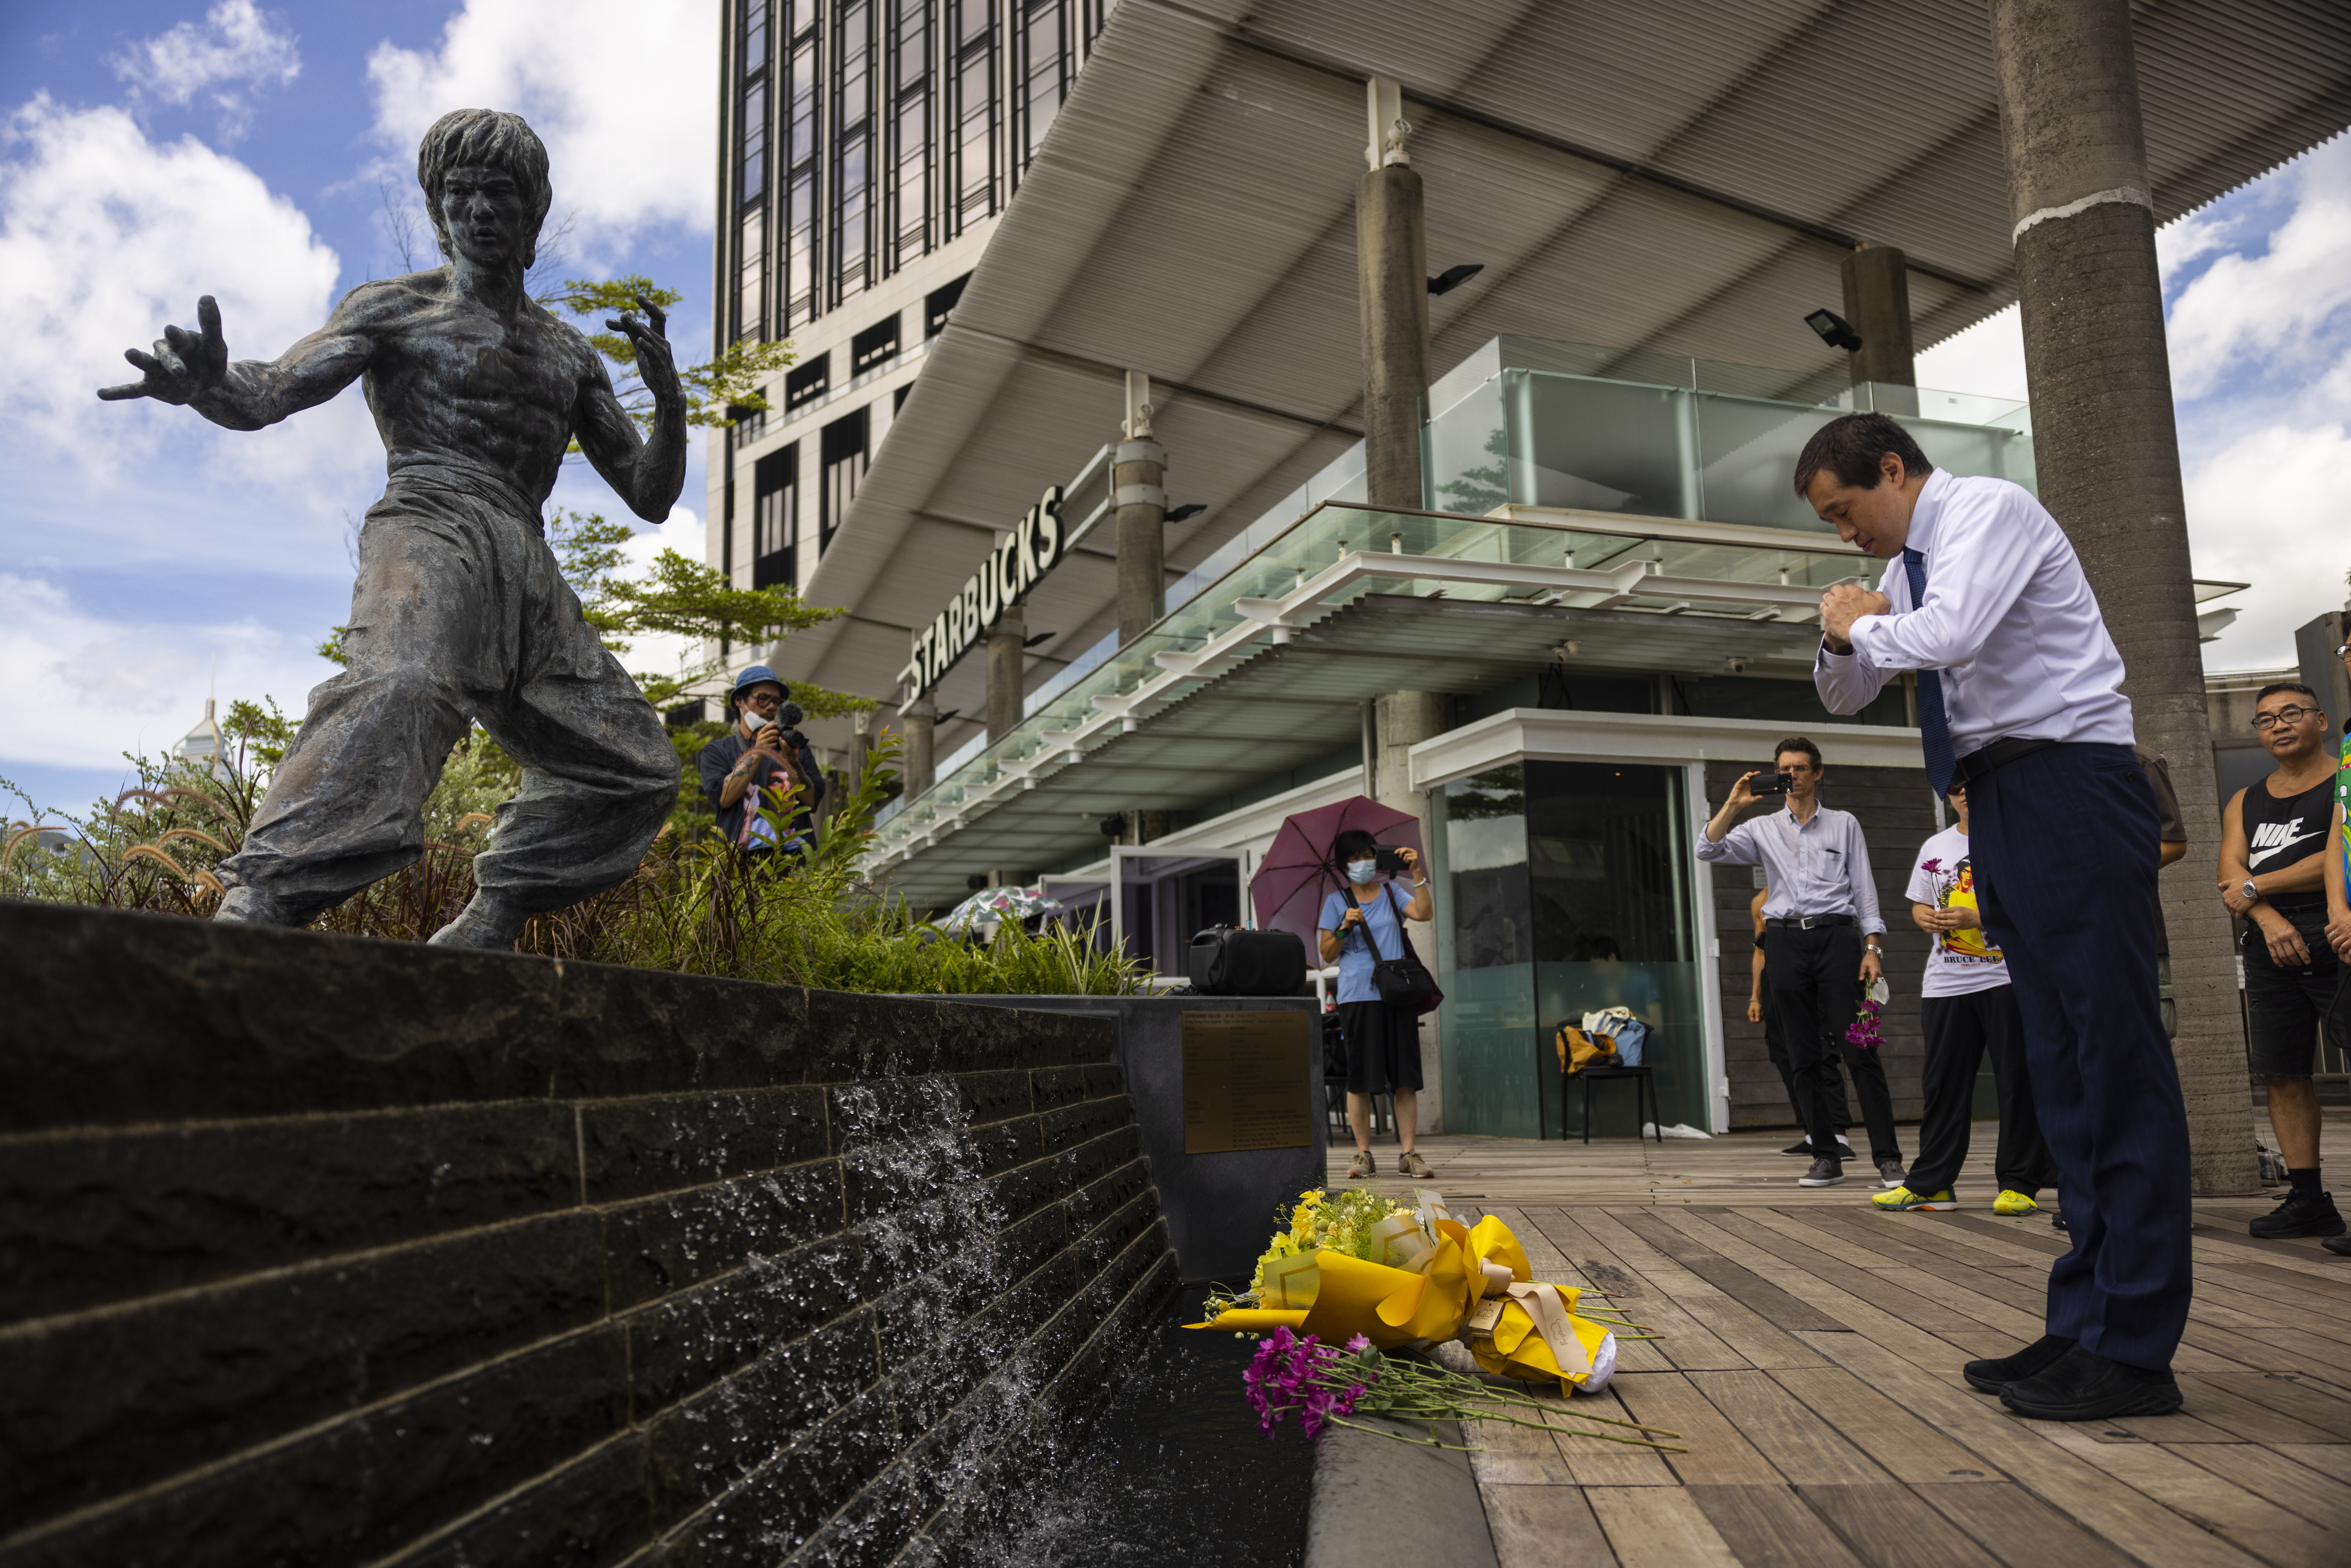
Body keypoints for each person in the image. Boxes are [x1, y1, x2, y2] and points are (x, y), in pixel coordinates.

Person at [105, 109, 685, 948]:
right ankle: (265, 896)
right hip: (427, 523)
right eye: (461, 195)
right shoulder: (392, 309)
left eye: (499, 194)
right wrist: (207, 384)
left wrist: (668, 402)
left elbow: (649, 493)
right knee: (401, 685)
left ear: (531, 214)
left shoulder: (569, 354)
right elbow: (272, 391)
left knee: (636, 769)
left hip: (524, 554)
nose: (480, 211)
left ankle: (496, 912)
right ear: (438, 210)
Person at [1805, 411, 2189, 1422]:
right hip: (2002, 798)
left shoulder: (1986, 511)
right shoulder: (1908, 569)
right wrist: (1837, 629)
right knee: (2061, 1070)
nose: (1846, 533)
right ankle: (2085, 1319)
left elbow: (1951, 636)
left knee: (2113, 1057)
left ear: (1893, 469)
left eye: (1847, 508)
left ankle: (2138, 1344)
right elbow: (1850, 695)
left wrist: (1862, 618)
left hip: (2069, 780)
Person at [1697, 738, 1903, 1190]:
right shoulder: (1762, 827)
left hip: (1837, 941)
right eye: (1785, 769)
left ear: (1818, 773)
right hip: (1785, 945)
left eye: (1800, 768)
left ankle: (1889, 1159)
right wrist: (1733, 803)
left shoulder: (1845, 824)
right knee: (1802, 1055)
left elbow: (1865, 892)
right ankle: (1826, 1156)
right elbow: (1707, 850)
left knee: (1860, 1050)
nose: (1792, 776)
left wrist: (1873, 949)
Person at [1875, 782, 2058, 1215]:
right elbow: (1918, 904)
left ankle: (2018, 1183)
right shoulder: (1936, 845)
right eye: (1955, 789)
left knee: (2018, 1083)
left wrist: (1980, 916)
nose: (1964, 795)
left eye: (1971, 786)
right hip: (1945, 982)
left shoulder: (2017, 837)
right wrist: (1926, 918)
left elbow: (2040, 904)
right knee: (1942, 1086)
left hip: (2007, 977)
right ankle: (1932, 1183)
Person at [2219, 682, 2345, 1240]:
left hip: (2338, 927)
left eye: (2291, 713)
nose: (2278, 725)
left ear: (2320, 720)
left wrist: (2253, 885)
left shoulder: (2343, 782)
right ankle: (2308, 1197)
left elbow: (2336, 855)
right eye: (2265, 719)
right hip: (2270, 937)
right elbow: (2228, 876)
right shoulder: (2244, 801)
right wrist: (2265, 916)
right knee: (2282, 1073)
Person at [1318, 829, 1435, 1180]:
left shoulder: (1390, 890)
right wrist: (1343, 928)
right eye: (1353, 859)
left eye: (1367, 855)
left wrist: (1417, 873)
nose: (1361, 863)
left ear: (1377, 857)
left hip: (1397, 994)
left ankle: (1409, 1153)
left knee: (1404, 1077)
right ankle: (1363, 1155)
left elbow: (1424, 913)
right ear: (1343, 865)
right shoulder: (1336, 900)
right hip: (1357, 996)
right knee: (1360, 1078)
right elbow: (1326, 954)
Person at [1749, 885, 1856, 1158]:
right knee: (1785, 1053)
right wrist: (1755, 997)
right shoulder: (1760, 901)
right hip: (1776, 978)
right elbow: (1760, 952)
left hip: (1810, 974)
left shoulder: (1808, 888)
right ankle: (1812, 1133)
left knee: (1822, 1050)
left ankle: (1839, 1136)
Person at [699, 666, 823, 857]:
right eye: (763, 698)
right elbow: (723, 799)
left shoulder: (795, 749)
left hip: (792, 860)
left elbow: (812, 802)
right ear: (739, 700)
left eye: (777, 701)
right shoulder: (717, 751)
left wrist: (792, 761)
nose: (771, 706)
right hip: (737, 861)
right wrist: (758, 752)